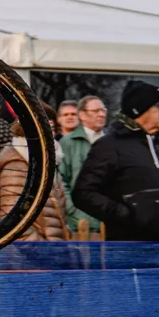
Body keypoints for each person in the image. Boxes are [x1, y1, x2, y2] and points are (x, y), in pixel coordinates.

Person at [73, 81, 159, 241]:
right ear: (140, 110)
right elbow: (83, 194)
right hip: (131, 250)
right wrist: (126, 215)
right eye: (158, 106)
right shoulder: (110, 146)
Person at [0, 102, 69, 241]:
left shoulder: (49, 162)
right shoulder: (17, 163)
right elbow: (14, 223)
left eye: (51, 128)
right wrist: (43, 250)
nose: (49, 134)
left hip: (52, 255)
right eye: (44, 127)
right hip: (30, 258)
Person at [58, 95, 106, 234]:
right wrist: (73, 211)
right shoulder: (67, 143)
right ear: (82, 115)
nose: (102, 114)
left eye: (103, 110)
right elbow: (61, 181)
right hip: (78, 223)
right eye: (96, 111)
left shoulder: (113, 142)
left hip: (108, 221)